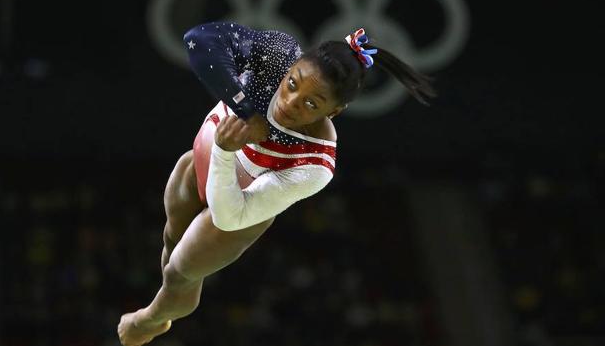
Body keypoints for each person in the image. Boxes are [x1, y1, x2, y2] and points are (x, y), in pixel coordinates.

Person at [117, 22, 435, 346]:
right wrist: (245, 109)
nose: (291, 102)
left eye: (312, 104)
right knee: (170, 240)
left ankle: (152, 318)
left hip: (235, 213)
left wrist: (227, 152)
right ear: (291, 66)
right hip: (200, 162)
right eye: (292, 83)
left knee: (177, 274)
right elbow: (198, 41)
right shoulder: (275, 54)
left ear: (334, 111)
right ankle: (167, 301)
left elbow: (229, 216)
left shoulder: (316, 162)